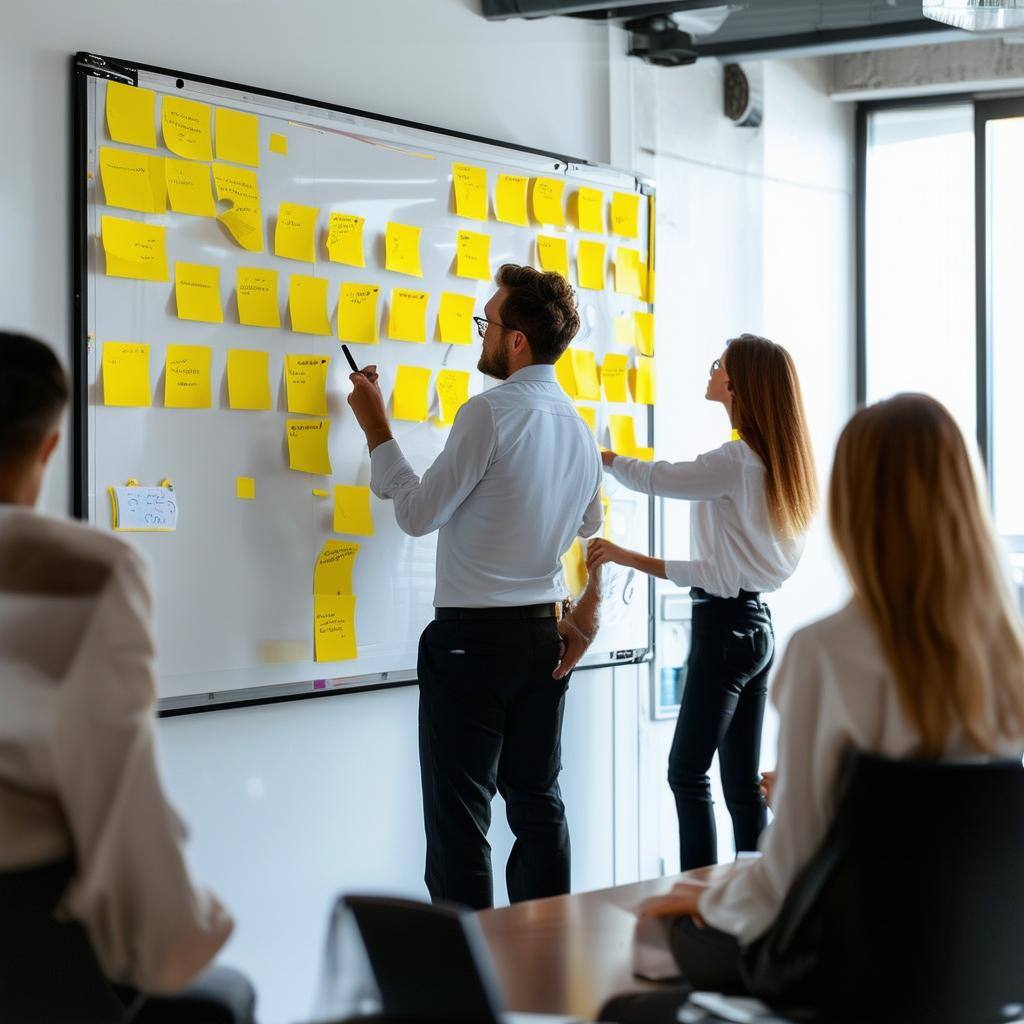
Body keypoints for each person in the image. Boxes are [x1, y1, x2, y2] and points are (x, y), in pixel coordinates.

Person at [641, 393, 1024, 990]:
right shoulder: (1008, 654)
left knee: (645, 952)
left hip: (843, 974)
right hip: (983, 976)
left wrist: (707, 900)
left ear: (853, 507)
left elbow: (790, 872)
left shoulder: (826, 652)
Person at [0, 332, 244, 1019]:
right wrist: (179, 938)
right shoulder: (91, 569)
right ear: (49, 447)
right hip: (26, 927)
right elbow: (116, 784)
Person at [346, 264, 603, 911]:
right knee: (539, 808)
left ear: (516, 340)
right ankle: (545, 971)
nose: (482, 334)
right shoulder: (578, 425)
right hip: (544, 638)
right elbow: (587, 523)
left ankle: (466, 988)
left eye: (487, 322)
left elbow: (417, 513)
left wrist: (377, 428)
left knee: (461, 828)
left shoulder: (488, 413)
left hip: (471, 646)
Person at [587, 334, 817, 870]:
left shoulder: (736, 461)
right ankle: (754, 903)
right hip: (757, 628)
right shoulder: (776, 464)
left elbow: (659, 479)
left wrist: (605, 459)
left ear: (736, 384)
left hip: (724, 629)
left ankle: (698, 903)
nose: (711, 371)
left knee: (687, 772)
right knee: (740, 782)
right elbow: (736, 571)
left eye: (719, 365)